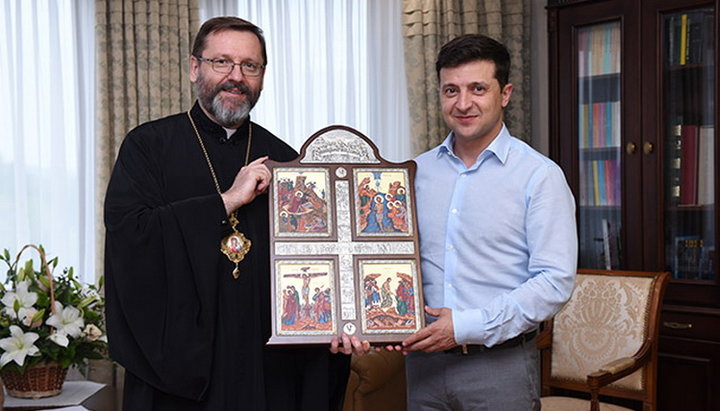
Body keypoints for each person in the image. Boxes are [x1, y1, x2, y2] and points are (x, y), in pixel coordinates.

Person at [104, 16, 365, 411]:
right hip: (183, 367)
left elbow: (318, 257)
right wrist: (225, 201)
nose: (236, 77)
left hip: (266, 364)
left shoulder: (284, 160)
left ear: (262, 76)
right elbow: (130, 236)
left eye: (250, 66)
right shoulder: (147, 146)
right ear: (195, 68)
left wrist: (345, 319)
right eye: (221, 62)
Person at [399, 34, 578, 410]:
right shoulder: (414, 173)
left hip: (501, 368)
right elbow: (390, 260)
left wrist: (465, 327)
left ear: (505, 93)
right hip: (422, 367)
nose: (463, 103)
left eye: (478, 88)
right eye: (451, 90)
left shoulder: (539, 176)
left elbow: (553, 282)